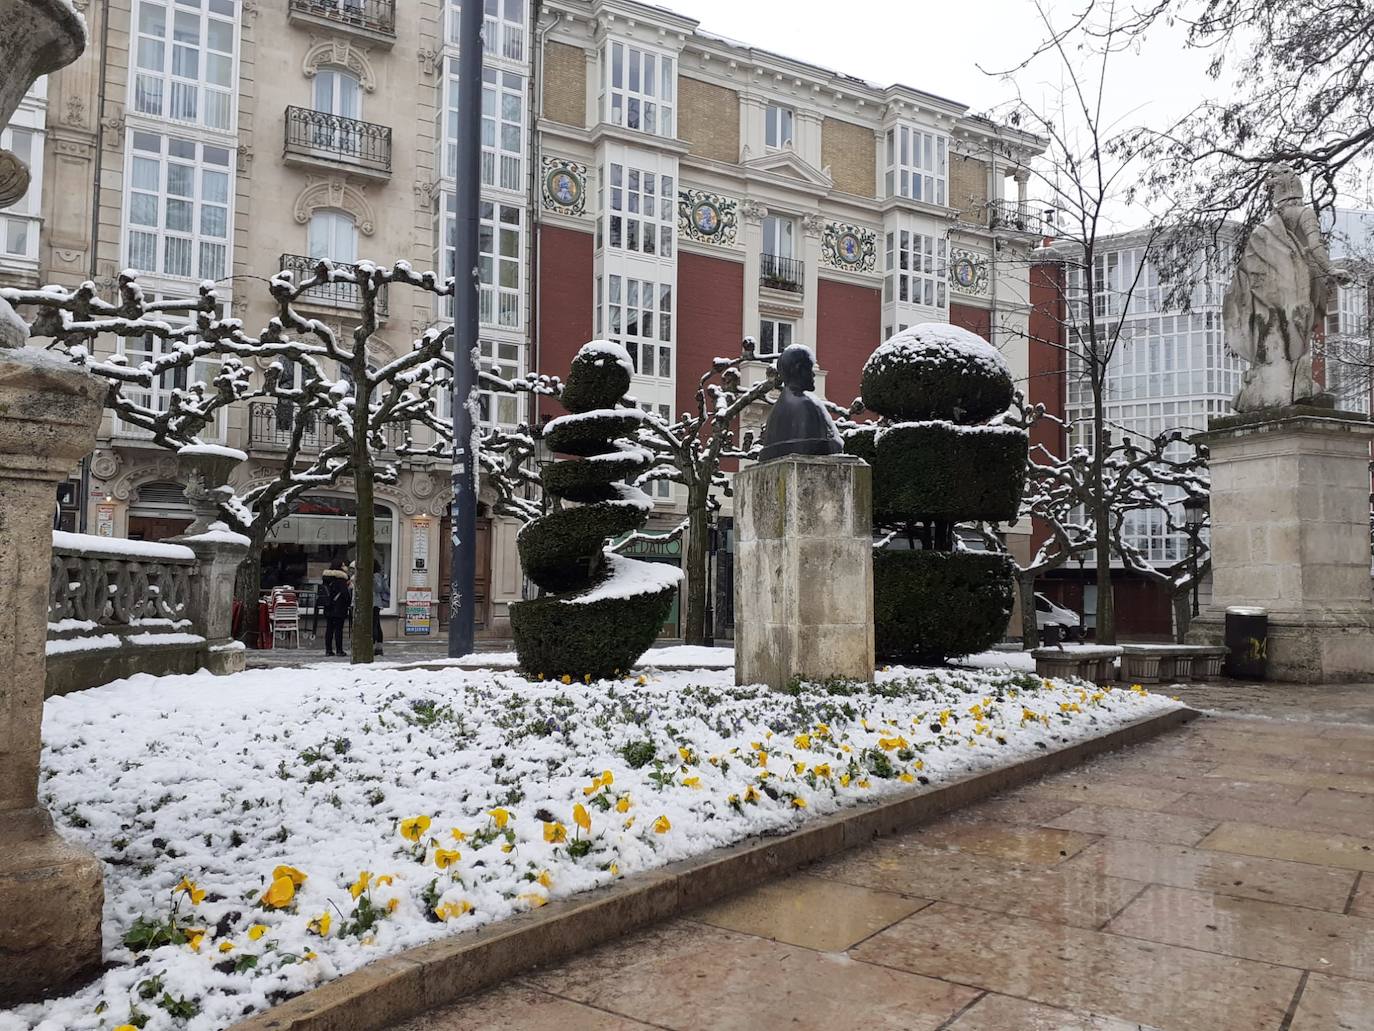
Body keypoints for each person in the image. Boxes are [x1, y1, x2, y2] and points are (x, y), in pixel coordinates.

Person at [321, 561, 352, 657]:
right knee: (339, 630)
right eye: (343, 565)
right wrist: (348, 603)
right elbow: (345, 595)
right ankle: (339, 650)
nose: (345, 567)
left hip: (328, 606)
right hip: (339, 607)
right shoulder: (341, 579)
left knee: (329, 629)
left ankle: (328, 650)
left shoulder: (326, 579)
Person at [372, 561, 390, 656]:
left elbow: (379, 589)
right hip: (375, 603)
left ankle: (374, 646)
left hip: (374, 603)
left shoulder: (376, 576)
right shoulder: (378, 576)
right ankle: (378, 647)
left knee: (374, 625)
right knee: (376, 625)